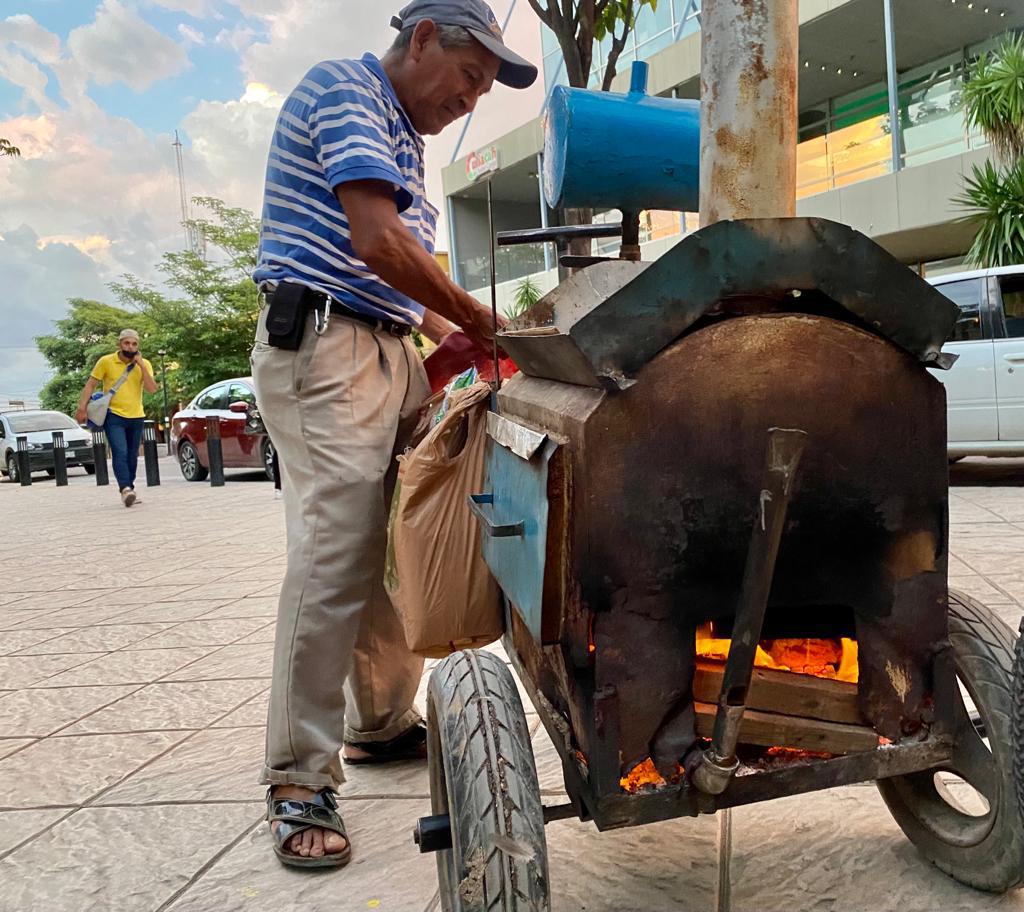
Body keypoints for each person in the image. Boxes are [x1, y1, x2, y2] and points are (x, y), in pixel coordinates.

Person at [251, 0, 537, 870]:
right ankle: (297, 776)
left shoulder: (404, 141)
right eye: (469, 77)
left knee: (390, 543)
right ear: (421, 39)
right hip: (327, 345)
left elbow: (403, 275)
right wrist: (477, 317)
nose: (472, 100)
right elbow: (375, 239)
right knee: (336, 547)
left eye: (486, 89)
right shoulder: (345, 88)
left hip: (382, 346)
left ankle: (376, 722)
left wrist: (445, 343)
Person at [75, 329, 158, 507]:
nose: (130, 346)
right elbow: (90, 385)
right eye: (127, 343)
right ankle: (125, 489)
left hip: (136, 415)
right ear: (119, 344)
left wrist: (141, 365)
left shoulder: (145, 364)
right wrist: (82, 407)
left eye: (134, 344)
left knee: (132, 456)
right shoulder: (106, 361)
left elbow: (152, 389)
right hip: (113, 415)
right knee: (120, 452)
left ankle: (130, 489)